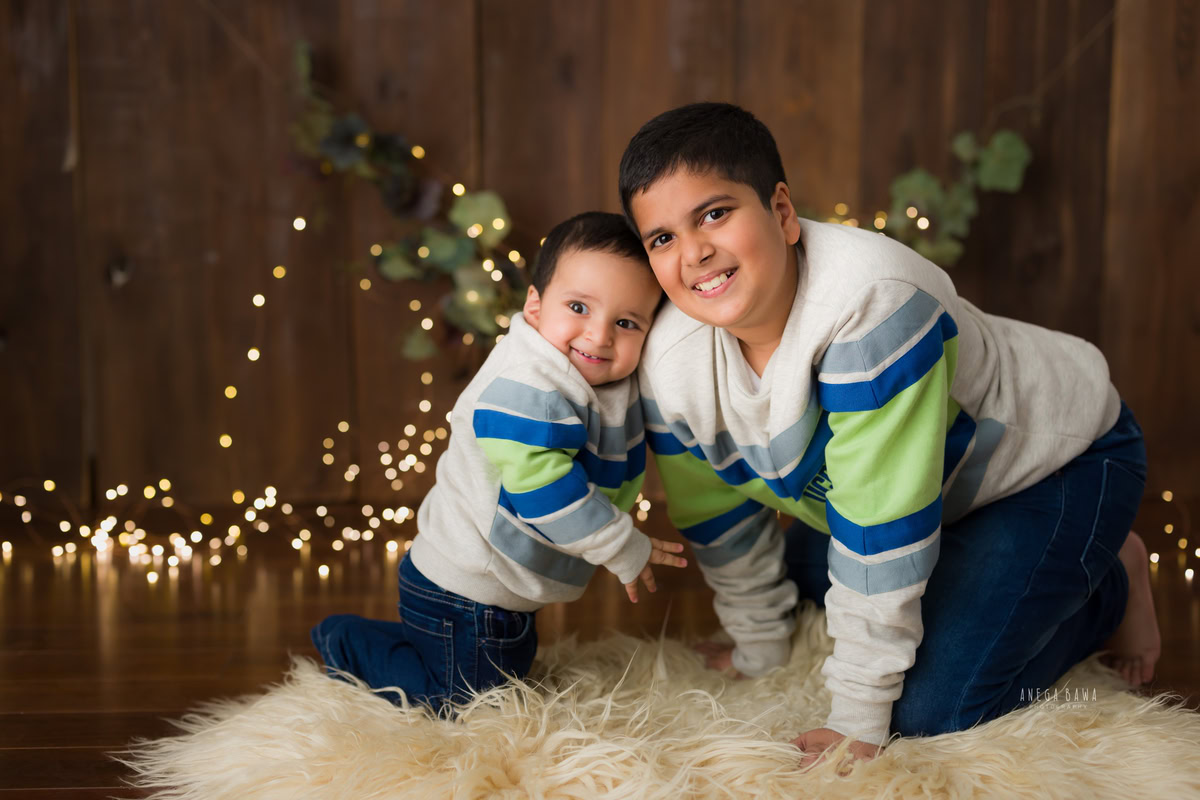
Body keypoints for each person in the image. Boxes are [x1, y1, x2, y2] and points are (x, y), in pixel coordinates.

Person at [619, 102, 1158, 764]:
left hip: (1052, 463)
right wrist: (758, 646)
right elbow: (719, 515)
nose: (694, 252)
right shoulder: (672, 366)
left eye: (714, 213)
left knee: (934, 710)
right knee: (803, 586)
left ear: (783, 213)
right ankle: (999, 568)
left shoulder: (872, 305)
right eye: (662, 238)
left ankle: (1112, 581)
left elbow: (881, 526)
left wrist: (858, 715)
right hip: (930, 492)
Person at [311, 211, 686, 713]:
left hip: (494, 593)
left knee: (502, 669)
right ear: (534, 306)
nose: (598, 337)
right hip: (465, 591)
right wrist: (619, 543)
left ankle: (419, 639)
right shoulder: (526, 388)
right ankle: (347, 644)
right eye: (578, 306)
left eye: (626, 322)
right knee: (466, 706)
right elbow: (544, 489)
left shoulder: (596, 373)